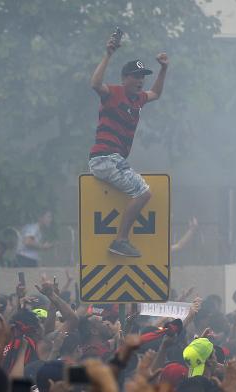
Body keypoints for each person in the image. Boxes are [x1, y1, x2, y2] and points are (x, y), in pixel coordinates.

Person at [88, 30, 169, 258]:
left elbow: (156, 93)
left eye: (142, 76)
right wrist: (108, 54)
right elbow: (95, 83)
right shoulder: (114, 92)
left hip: (113, 160)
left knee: (138, 192)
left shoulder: (138, 99)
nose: (140, 80)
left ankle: (120, 240)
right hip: (106, 157)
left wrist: (163, 69)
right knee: (143, 193)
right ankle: (120, 241)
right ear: (124, 79)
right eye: (136, 76)